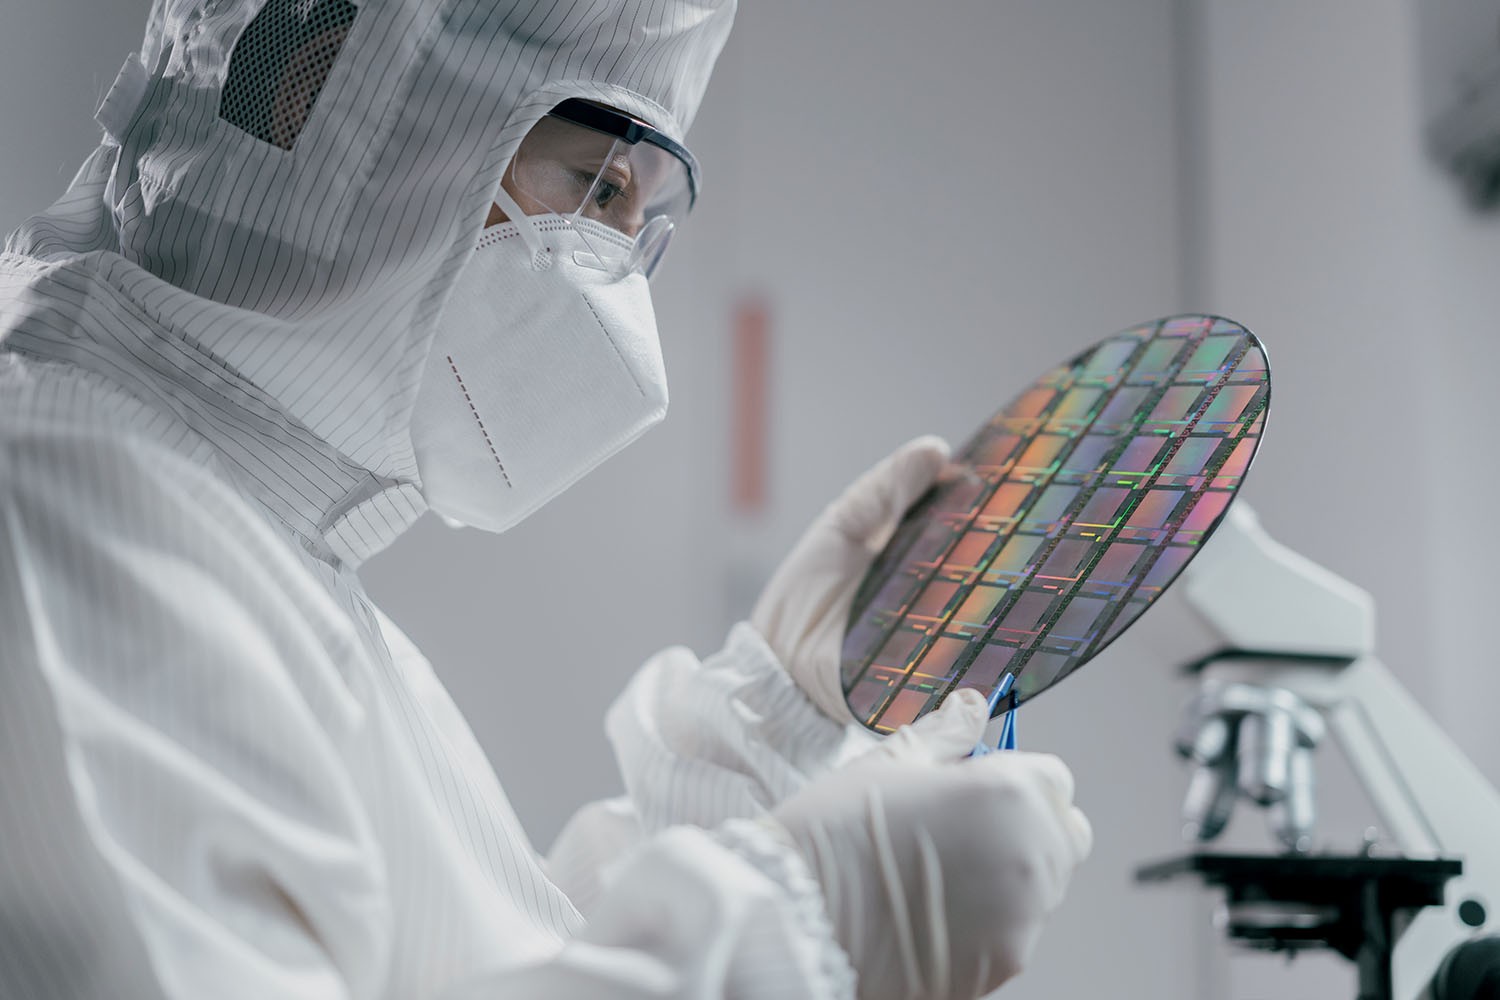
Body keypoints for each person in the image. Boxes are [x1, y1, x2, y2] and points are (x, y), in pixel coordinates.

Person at [0, 2, 1092, 998]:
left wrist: (758, 743)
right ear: (319, 89)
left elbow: (476, 959)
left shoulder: (247, 525)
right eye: (602, 187)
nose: (621, 291)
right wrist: (805, 918)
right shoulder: (66, 502)